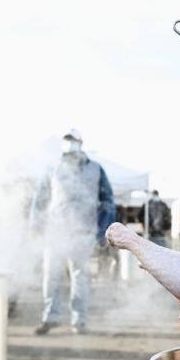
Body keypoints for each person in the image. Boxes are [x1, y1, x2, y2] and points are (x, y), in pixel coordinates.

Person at [30, 129, 115, 336]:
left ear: (81, 143)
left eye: (74, 140)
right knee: (51, 276)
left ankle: (79, 321)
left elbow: (107, 200)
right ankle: (50, 317)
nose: (70, 144)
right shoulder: (53, 168)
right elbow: (39, 199)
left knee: (80, 277)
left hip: (83, 232)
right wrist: (36, 226)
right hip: (56, 232)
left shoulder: (96, 169)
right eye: (68, 140)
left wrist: (102, 231)